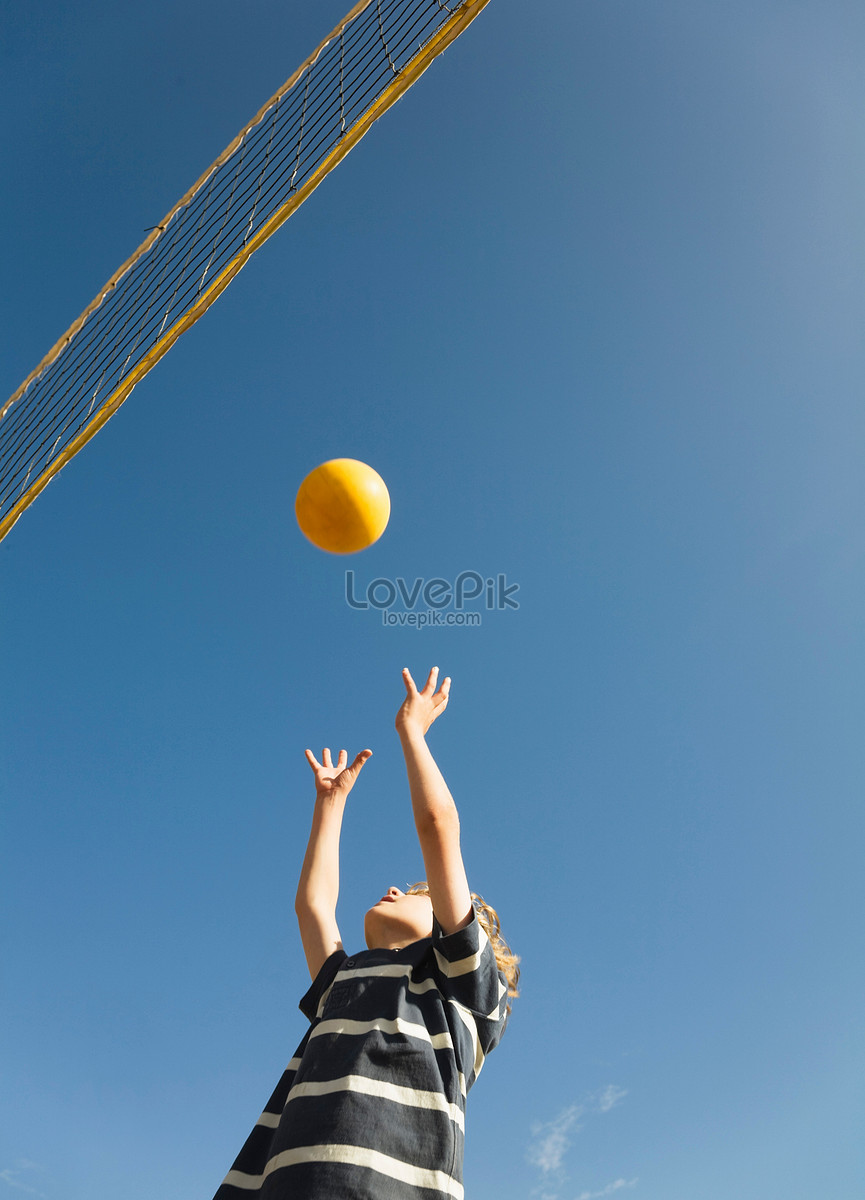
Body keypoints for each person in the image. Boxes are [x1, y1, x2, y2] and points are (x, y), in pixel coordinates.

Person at [212, 666, 519, 1200]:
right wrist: (329, 806)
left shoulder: (463, 987)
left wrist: (412, 733)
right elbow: (312, 905)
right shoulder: (346, 979)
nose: (394, 891)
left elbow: (438, 828)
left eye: (416, 892)